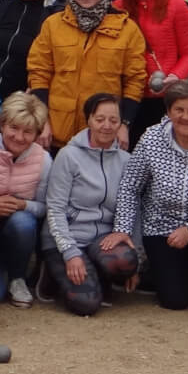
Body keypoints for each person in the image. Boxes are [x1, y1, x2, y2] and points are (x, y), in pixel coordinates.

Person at [102, 78, 188, 312]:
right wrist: (123, 229)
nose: (185, 117)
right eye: (178, 109)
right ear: (168, 112)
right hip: (161, 228)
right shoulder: (151, 138)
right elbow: (130, 186)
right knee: (175, 300)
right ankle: (169, 269)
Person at [26, 0, 147, 149]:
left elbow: (135, 80)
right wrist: (43, 122)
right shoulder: (53, 25)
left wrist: (124, 124)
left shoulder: (127, 29)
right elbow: (38, 73)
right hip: (57, 134)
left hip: (104, 136)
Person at [40, 94, 140, 315]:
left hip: (101, 240)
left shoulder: (126, 160)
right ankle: (52, 275)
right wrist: (70, 253)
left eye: (113, 120)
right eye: (100, 119)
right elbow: (54, 209)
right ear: (89, 120)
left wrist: (135, 262)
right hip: (65, 239)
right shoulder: (68, 156)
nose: (106, 126)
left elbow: (132, 209)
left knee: (125, 261)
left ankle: (95, 274)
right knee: (86, 305)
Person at [115, 0, 188, 148]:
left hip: (164, 99)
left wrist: (175, 76)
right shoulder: (117, 8)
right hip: (128, 99)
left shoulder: (177, 6)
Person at [0, 92, 51, 307]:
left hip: (16, 232)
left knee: (24, 220)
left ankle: (17, 277)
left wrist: (23, 205)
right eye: (14, 128)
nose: (19, 137)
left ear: (37, 133)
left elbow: (46, 206)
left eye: (28, 131)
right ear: (2, 125)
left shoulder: (43, 159)